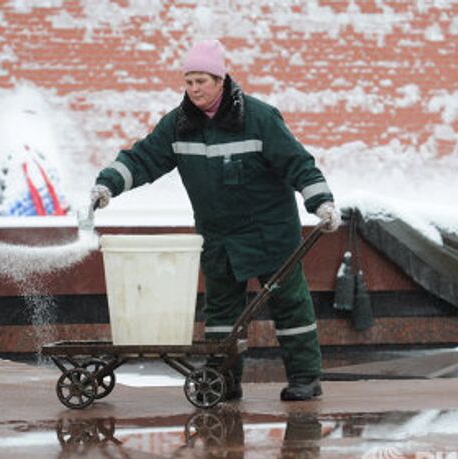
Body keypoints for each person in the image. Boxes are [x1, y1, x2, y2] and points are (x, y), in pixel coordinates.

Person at [90, 39, 341, 401]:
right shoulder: (178, 126)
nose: (194, 90)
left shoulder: (259, 117)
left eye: (201, 82)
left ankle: (305, 378)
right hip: (218, 236)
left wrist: (321, 202)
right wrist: (107, 185)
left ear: (220, 80)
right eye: (188, 82)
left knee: (290, 304)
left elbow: (297, 163)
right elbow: (143, 158)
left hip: (270, 232)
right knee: (222, 313)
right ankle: (225, 380)